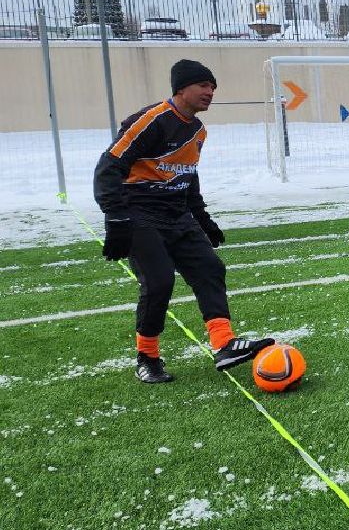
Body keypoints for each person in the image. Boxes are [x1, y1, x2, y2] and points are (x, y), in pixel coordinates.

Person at [93, 59, 273, 383]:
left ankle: (224, 345)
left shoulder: (198, 131)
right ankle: (147, 358)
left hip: (177, 215)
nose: (210, 92)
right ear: (181, 88)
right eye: (204, 85)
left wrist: (203, 220)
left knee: (210, 268)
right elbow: (108, 167)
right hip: (139, 213)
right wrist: (117, 218)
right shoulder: (152, 120)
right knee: (159, 280)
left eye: (213, 87)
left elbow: (188, 178)